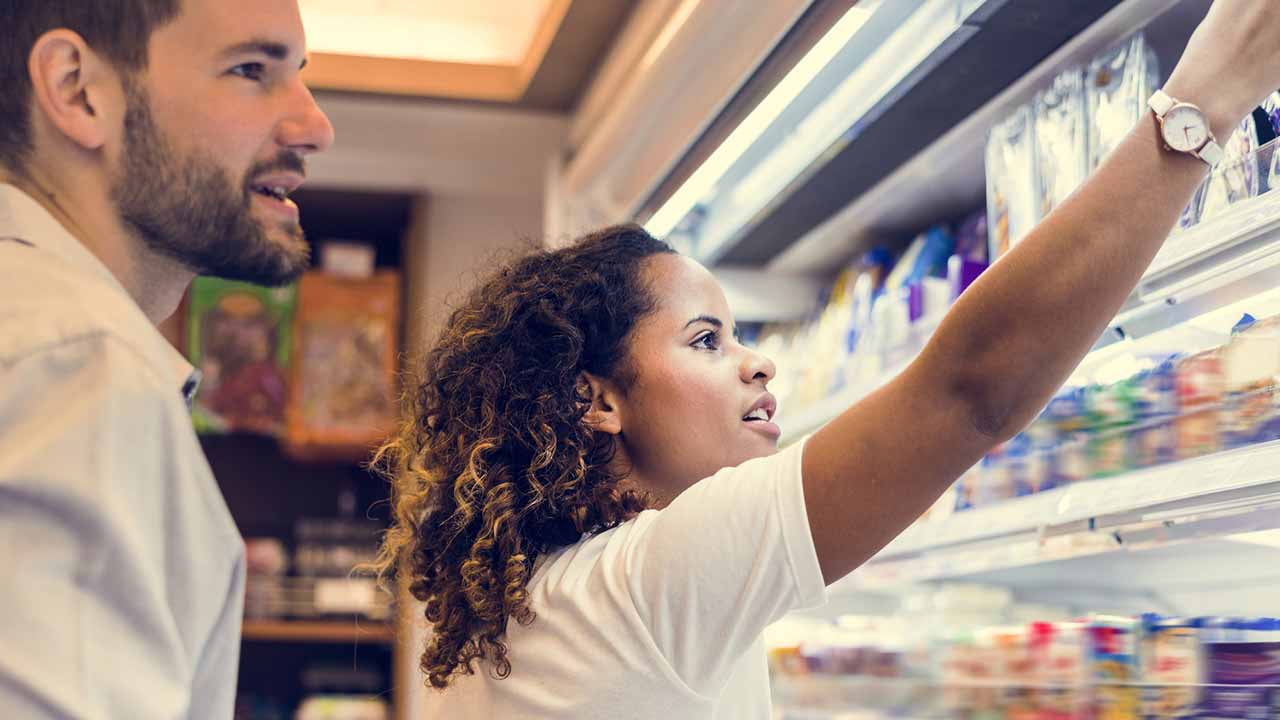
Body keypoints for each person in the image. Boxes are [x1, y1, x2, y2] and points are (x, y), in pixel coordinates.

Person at [371, 2, 1280, 718]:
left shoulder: (533, 603)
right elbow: (970, 392)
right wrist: (1202, 100)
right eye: (706, 341)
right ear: (597, 401)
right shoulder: (650, 581)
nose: (757, 365)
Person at [0, 0, 333, 716]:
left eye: (297, 75)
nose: (315, 127)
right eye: (252, 70)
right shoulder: (78, 362)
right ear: (77, 91)